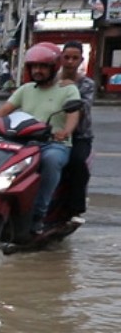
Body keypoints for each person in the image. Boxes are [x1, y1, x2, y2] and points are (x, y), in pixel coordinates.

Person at [0, 42, 80, 234]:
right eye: (34, 67)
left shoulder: (68, 89)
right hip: (23, 142)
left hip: (54, 144)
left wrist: (65, 131)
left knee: (51, 161)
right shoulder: (25, 89)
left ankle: (38, 214)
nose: (38, 71)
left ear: (54, 67)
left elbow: (74, 114)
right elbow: (5, 110)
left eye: (43, 67)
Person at [55, 41, 94, 216]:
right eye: (67, 57)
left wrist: (70, 89)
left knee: (77, 163)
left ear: (81, 60)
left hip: (79, 136)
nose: (70, 61)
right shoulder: (50, 80)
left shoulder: (87, 84)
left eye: (75, 58)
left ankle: (75, 210)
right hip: (50, 133)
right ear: (61, 59)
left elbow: (83, 109)